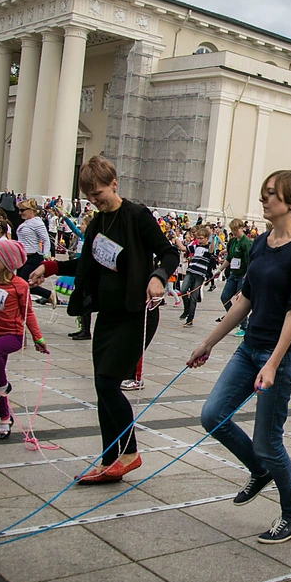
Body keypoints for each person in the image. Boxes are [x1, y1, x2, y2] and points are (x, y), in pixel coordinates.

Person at [28, 156, 178, 483]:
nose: (95, 200)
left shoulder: (137, 216)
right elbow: (88, 264)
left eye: (99, 193)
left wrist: (158, 276)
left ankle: (130, 452)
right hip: (109, 314)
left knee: (109, 384)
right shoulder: (97, 223)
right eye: (90, 196)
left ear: (114, 183)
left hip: (136, 313)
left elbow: (170, 253)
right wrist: (51, 266)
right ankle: (110, 459)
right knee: (101, 386)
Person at [190, 170, 291, 544]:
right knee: (212, 415)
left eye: (270, 194)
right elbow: (245, 299)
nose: (264, 199)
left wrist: (274, 364)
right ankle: (260, 471)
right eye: (263, 193)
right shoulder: (262, 243)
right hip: (249, 348)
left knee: (268, 440)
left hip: (281, 353)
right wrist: (208, 343)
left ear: (290, 202)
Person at [0, 239, 48, 438]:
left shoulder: (20, 285)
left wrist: (38, 339)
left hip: (13, 336)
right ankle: (5, 418)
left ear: (8, 261)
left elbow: (28, 313)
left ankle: (2, 387)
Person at [15, 199, 55, 305]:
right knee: (19, 284)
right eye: (19, 210)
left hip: (33, 257)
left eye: (22, 210)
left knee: (24, 283)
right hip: (22, 257)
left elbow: (46, 239)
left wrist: (45, 254)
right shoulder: (26, 222)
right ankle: (22, 305)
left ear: (31, 210)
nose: (20, 213)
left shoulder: (37, 222)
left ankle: (49, 294)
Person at [217, 218, 252, 335]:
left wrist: (247, 276)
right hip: (233, 273)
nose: (235, 232)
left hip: (243, 274)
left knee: (240, 301)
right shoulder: (232, 242)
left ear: (241, 228)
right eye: (233, 230)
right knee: (225, 297)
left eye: (236, 229)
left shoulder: (246, 243)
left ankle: (244, 325)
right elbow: (229, 258)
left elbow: (249, 260)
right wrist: (219, 270)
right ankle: (234, 318)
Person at [180, 225, 217, 328]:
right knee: (183, 290)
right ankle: (186, 309)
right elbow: (184, 248)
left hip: (200, 275)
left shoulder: (208, 248)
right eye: (198, 238)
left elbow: (211, 250)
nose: (199, 240)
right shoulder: (196, 247)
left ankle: (190, 319)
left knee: (194, 296)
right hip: (190, 271)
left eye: (201, 238)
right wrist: (174, 237)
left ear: (206, 238)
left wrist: (213, 238)